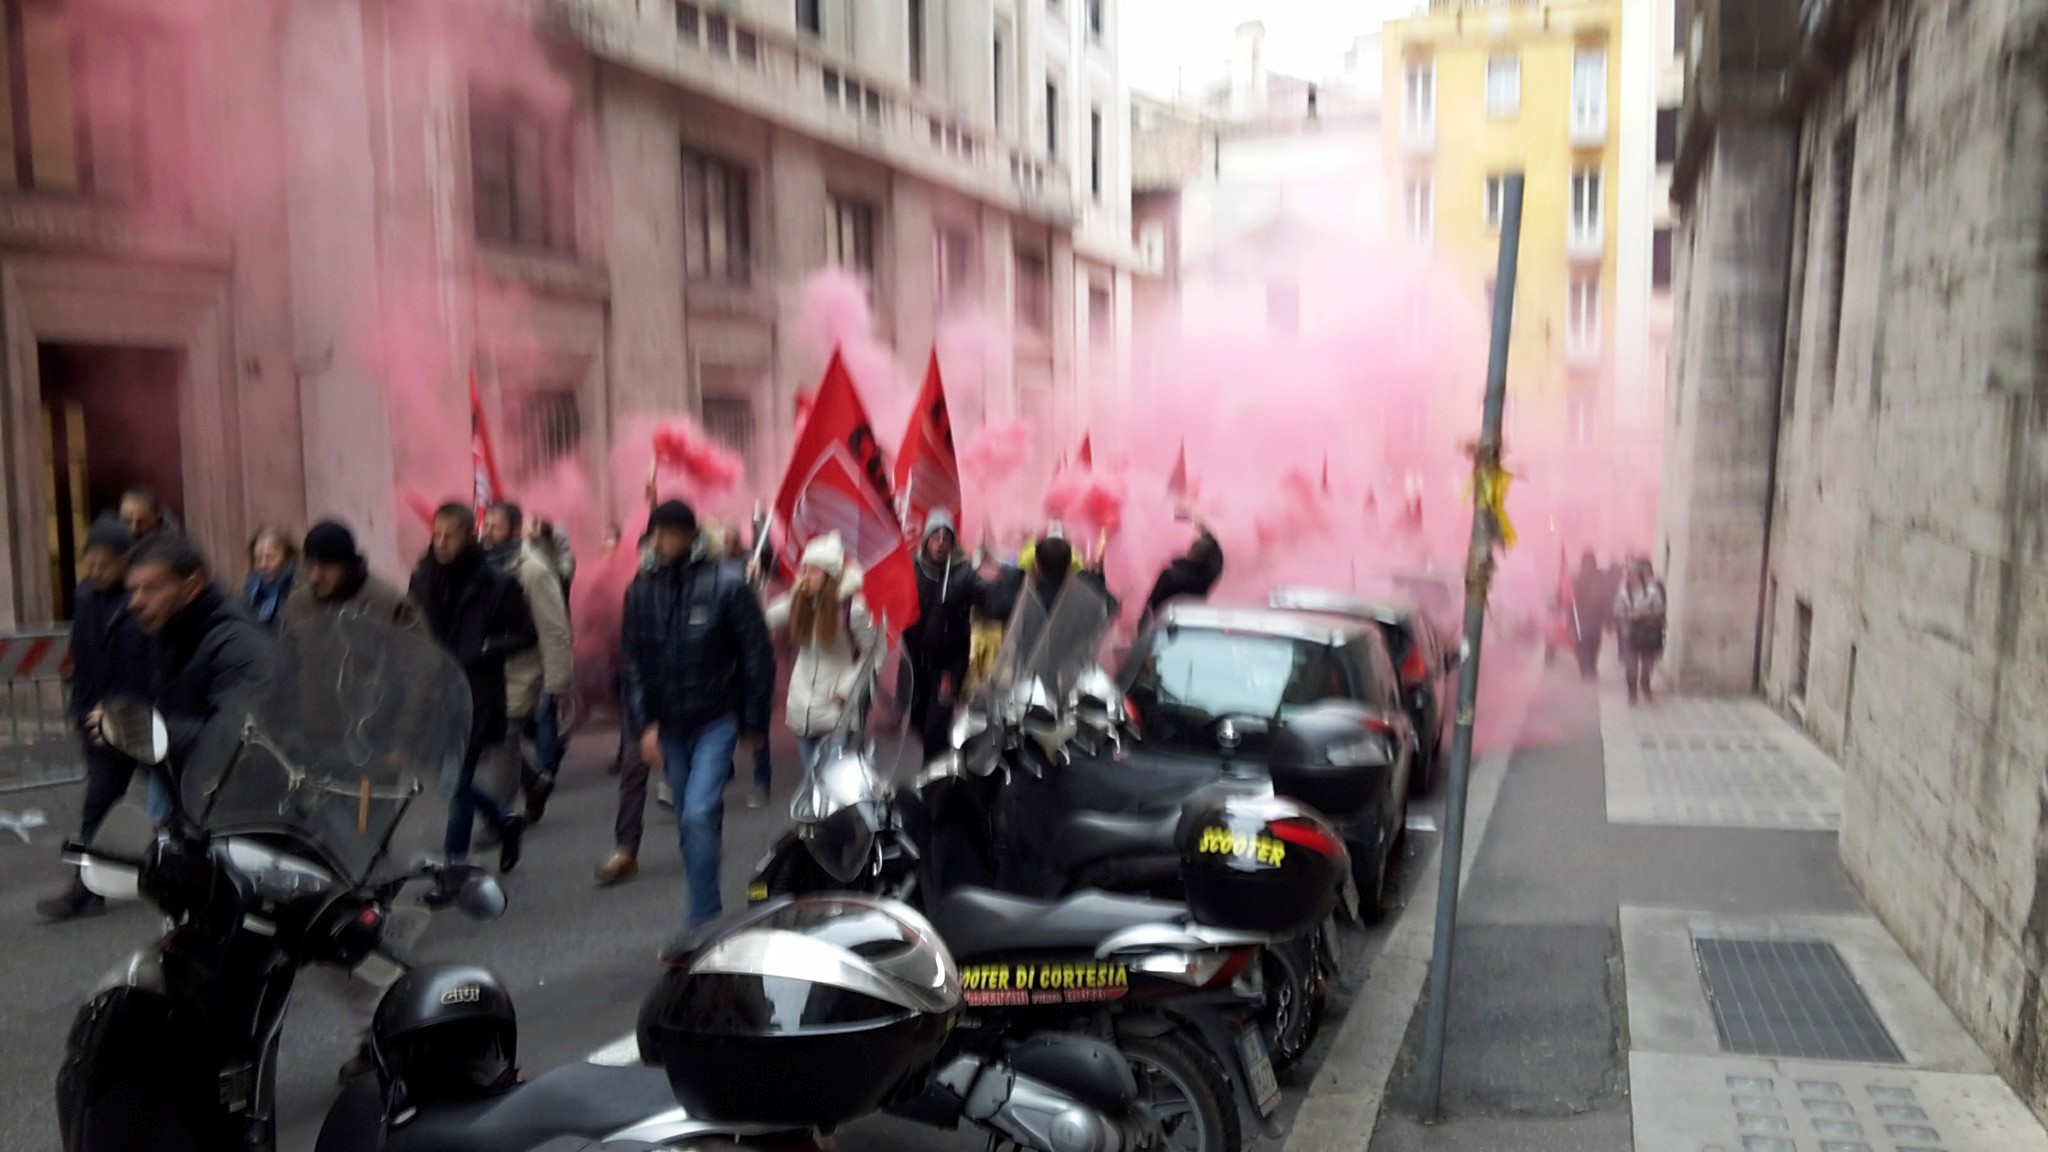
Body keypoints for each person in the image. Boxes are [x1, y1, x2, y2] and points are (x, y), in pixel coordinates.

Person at [276, 518, 426, 1081]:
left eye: (326, 565)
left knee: (360, 886)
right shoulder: (298, 607)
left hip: (370, 761)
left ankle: (386, 1019)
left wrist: (402, 742)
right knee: (319, 886)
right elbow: (281, 672)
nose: (316, 575)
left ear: (348, 563)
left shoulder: (386, 604)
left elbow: (418, 676)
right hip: (313, 758)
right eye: (309, 564)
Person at [607, 500, 773, 926]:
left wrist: (754, 722)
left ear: (690, 536)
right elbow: (632, 663)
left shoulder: (728, 586)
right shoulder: (640, 590)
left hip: (716, 718)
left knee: (698, 813)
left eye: (668, 533)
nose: (659, 542)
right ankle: (708, 901)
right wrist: (642, 725)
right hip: (669, 726)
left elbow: (756, 655)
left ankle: (702, 921)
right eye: (654, 533)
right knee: (690, 820)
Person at [411, 503, 535, 878]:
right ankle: (504, 819)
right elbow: (411, 627)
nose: (442, 543)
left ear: (470, 536)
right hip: (435, 691)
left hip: (477, 692)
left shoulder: (496, 583)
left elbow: (526, 634)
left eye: (450, 535)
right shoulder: (422, 578)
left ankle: (454, 868)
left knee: (459, 780)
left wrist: (487, 647)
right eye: (437, 534)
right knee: (449, 780)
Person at [37, 516, 151, 922]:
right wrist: (77, 710)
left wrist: (125, 710)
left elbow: (154, 667)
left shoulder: (144, 598)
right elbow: (82, 663)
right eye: (91, 561)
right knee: (98, 805)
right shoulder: (85, 598)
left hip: (146, 717)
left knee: (184, 802)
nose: (96, 569)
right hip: (101, 723)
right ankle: (87, 888)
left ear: (125, 561)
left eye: (105, 562)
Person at [121, 533, 275, 780]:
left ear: (192, 585)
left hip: (239, 810)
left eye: (151, 588)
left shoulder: (239, 646)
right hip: (193, 801)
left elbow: (239, 745)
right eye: (132, 590)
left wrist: (141, 733)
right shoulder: (170, 633)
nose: (134, 603)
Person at [481, 503, 573, 824]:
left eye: (496, 525)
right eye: (486, 524)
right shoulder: (482, 565)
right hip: (491, 667)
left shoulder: (533, 569)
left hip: (523, 668)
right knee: (490, 736)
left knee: (505, 737)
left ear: (516, 528)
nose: (488, 531)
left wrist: (557, 683)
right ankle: (534, 783)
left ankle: (500, 816)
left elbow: (554, 627)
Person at [764, 533, 878, 773]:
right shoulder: (797, 603)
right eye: (805, 568)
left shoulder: (852, 609)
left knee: (831, 778)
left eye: (813, 570)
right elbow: (763, 618)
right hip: (801, 705)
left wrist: (847, 688)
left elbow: (873, 652)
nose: (805, 575)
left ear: (829, 575)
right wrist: (754, 584)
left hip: (835, 708)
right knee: (812, 780)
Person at [900, 510, 978, 759]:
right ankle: (943, 761)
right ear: (926, 540)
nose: (941, 541)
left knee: (937, 723)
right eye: (936, 535)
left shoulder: (962, 574)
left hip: (948, 665)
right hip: (916, 663)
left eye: (947, 536)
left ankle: (935, 779)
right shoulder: (911, 572)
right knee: (918, 721)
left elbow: (987, 595)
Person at [1140, 512, 1225, 628]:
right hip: (1192, 613)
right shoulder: (1203, 574)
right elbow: (1217, 560)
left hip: (1171, 612)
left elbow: (1153, 602)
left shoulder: (1173, 574)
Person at [1613, 558, 1668, 706]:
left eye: (1635, 574)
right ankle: (1632, 692)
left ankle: (1645, 683)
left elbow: (1659, 608)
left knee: (1647, 663)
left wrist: (1643, 614)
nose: (1632, 577)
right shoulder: (1623, 590)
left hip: (1648, 632)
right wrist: (1628, 615)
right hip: (1629, 632)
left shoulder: (1652, 589)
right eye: (1629, 574)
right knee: (1631, 664)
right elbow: (1617, 610)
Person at [1570, 551, 1615, 680]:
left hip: (1596, 617)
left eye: (1591, 563)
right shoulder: (1576, 578)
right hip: (1581, 617)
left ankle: (1591, 666)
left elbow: (1606, 599)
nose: (1588, 566)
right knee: (1582, 643)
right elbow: (1570, 599)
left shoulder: (1600, 578)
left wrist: (1608, 620)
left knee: (1594, 643)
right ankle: (1585, 668)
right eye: (1586, 563)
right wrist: (1570, 618)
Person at [243, 525, 298, 630]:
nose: (263, 565)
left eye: (270, 557)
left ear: (287, 558)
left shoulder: (298, 591)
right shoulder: (247, 596)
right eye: (258, 559)